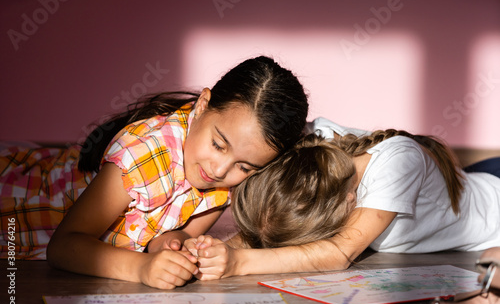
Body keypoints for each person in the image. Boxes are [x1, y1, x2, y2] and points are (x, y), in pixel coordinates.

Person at [0, 56, 309, 289]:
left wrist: (174, 244)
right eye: (218, 144)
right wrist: (141, 268)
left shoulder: (228, 179)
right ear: (202, 105)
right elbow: (64, 246)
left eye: (244, 166)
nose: (219, 170)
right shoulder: (140, 155)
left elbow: (184, 232)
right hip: (18, 198)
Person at [184, 118, 500, 280]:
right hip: (471, 181)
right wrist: (213, 249)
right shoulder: (315, 143)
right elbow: (271, 214)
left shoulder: (397, 166)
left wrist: (238, 263)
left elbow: (338, 253)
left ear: (349, 201)